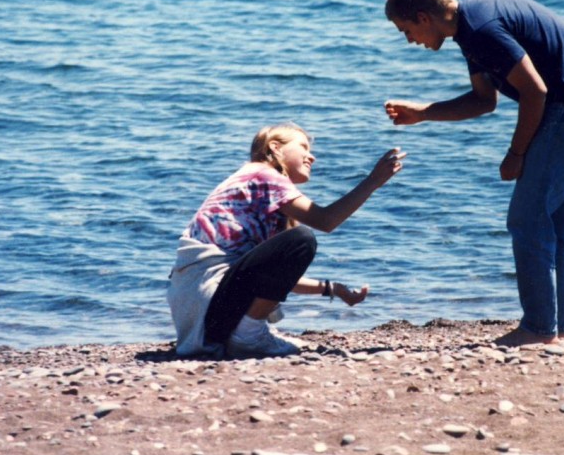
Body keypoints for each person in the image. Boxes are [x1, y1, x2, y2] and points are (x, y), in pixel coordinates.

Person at [383, 0, 564, 347]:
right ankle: (556, 329)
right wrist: (423, 112)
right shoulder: (470, 27)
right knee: (554, 222)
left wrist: (516, 154)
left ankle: (538, 329)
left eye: (406, 30)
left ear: (424, 17)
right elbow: (483, 100)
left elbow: (534, 92)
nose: (410, 40)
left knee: (527, 217)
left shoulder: (481, 31)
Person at [167, 122, 406, 359]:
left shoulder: (252, 185)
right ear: (275, 148)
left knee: (296, 241)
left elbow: (273, 277)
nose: (311, 157)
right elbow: (326, 220)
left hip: (202, 317)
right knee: (301, 240)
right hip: (211, 304)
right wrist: (372, 181)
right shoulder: (263, 173)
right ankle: (248, 335)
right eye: (303, 146)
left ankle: (246, 332)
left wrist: (334, 290)